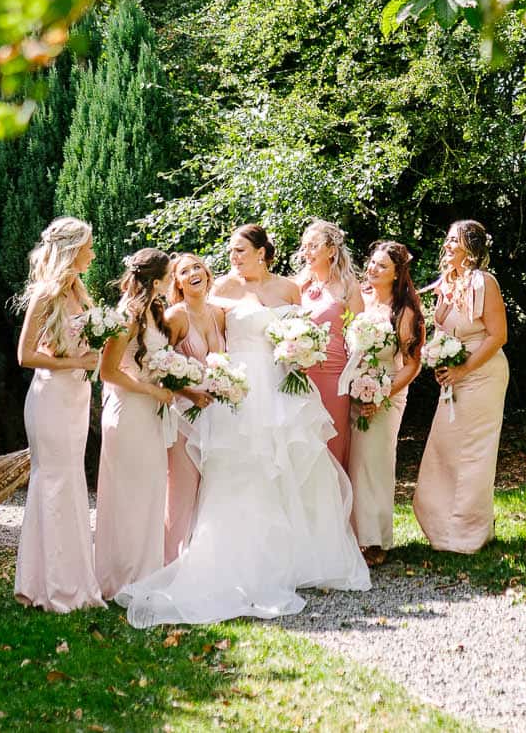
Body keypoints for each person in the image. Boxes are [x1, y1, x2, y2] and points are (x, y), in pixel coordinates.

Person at [117, 224, 369, 625]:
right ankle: (237, 557)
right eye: (231, 251)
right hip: (242, 389)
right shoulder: (224, 292)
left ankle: (299, 558)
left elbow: (301, 330)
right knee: (244, 469)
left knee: (291, 466)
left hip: (282, 385)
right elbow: (194, 323)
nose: (233, 257)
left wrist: (301, 348)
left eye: (240, 250)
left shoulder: (289, 289)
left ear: (262, 252)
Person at [95, 247, 204, 599]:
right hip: (129, 411)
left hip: (152, 413)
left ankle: (147, 574)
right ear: (156, 281)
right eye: (170, 276)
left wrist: (172, 381)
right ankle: (122, 579)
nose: (173, 281)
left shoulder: (155, 312)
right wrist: (150, 390)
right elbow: (108, 372)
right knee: (128, 496)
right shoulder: (126, 316)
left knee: (151, 495)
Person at [12, 217, 103, 612]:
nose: (93, 253)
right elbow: (25, 355)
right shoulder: (46, 295)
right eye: (88, 247)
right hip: (50, 398)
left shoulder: (78, 293)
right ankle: (49, 587)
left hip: (76, 397)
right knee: (52, 483)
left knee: (70, 484)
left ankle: (74, 582)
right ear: (71, 250)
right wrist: (77, 361)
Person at [413, 219, 510, 553]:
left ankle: (470, 534)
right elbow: (443, 330)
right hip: (454, 377)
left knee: (472, 453)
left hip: (482, 375)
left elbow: (498, 336)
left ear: (471, 246)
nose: (448, 244)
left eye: (455, 239)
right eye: (448, 238)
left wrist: (464, 369)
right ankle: (444, 528)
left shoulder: (484, 283)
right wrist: (441, 361)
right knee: (445, 449)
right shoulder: (447, 282)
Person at [345, 239, 425, 564]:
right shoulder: (359, 300)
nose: (373, 269)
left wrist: (380, 394)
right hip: (351, 389)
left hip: (386, 392)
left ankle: (375, 540)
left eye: (382, 266)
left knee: (373, 463)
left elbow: (412, 365)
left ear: (396, 274)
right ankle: (351, 536)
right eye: (373, 262)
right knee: (351, 462)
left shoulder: (402, 311)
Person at [163, 252, 223, 562]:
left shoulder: (218, 314)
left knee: (211, 491)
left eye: (198, 266)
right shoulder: (175, 316)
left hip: (216, 413)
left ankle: (202, 561)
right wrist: (191, 393)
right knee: (181, 492)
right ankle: (168, 561)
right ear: (178, 282)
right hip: (184, 412)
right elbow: (158, 367)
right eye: (185, 271)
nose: (194, 273)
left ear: (208, 273)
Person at [294, 219, 363, 468]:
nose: (306, 252)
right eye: (304, 247)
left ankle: (335, 504)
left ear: (331, 250)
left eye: (313, 246)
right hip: (301, 373)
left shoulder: (348, 287)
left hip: (335, 375)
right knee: (303, 441)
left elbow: (360, 337)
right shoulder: (298, 286)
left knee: (331, 442)